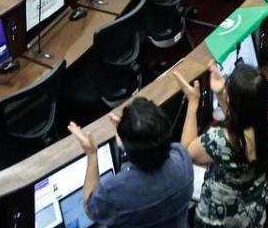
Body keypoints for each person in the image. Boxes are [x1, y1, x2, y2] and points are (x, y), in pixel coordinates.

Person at [172, 62, 268, 228]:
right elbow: (243, 117)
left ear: (233, 100)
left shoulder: (221, 139)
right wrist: (220, 94)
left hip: (220, 219)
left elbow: (186, 152)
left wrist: (193, 103)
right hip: (254, 211)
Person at [68, 97, 194, 227]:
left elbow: (90, 207)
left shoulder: (114, 192)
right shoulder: (182, 159)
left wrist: (92, 154)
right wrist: (131, 132)